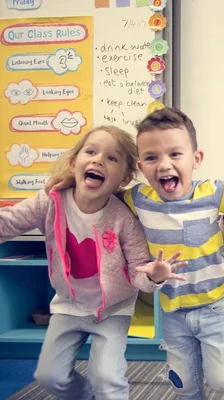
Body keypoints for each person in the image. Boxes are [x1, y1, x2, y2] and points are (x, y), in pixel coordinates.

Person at [1, 126, 186, 400]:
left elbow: (139, 273)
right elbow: (9, 223)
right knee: (50, 377)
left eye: (112, 158)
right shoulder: (50, 202)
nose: (98, 160)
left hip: (113, 310)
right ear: (74, 162)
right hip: (68, 306)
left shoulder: (123, 219)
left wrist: (154, 276)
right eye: (91, 151)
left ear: (123, 178)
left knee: (107, 379)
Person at [123, 108, 224, 399]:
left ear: (195, 159)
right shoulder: (137, 198)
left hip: (217, 305)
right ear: (141, 165)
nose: (164, 165)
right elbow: (97, 194)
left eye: (175, 154)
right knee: (184, 385)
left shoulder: (214, 192)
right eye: (152, 157)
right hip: (173, 311)